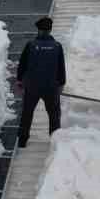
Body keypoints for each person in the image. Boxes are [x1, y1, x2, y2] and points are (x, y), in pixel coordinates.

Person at [15, 17, 65, 148]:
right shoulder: (57, 46)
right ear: (50, 30)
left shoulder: (31, 45)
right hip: (51, 87)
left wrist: (20, 80)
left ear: (38, 30)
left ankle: (22, 140)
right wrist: (61, 84)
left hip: (32, 86)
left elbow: (22, 65)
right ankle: (55, 142)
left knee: (27, 113)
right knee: (54, 115)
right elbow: (61, 68)